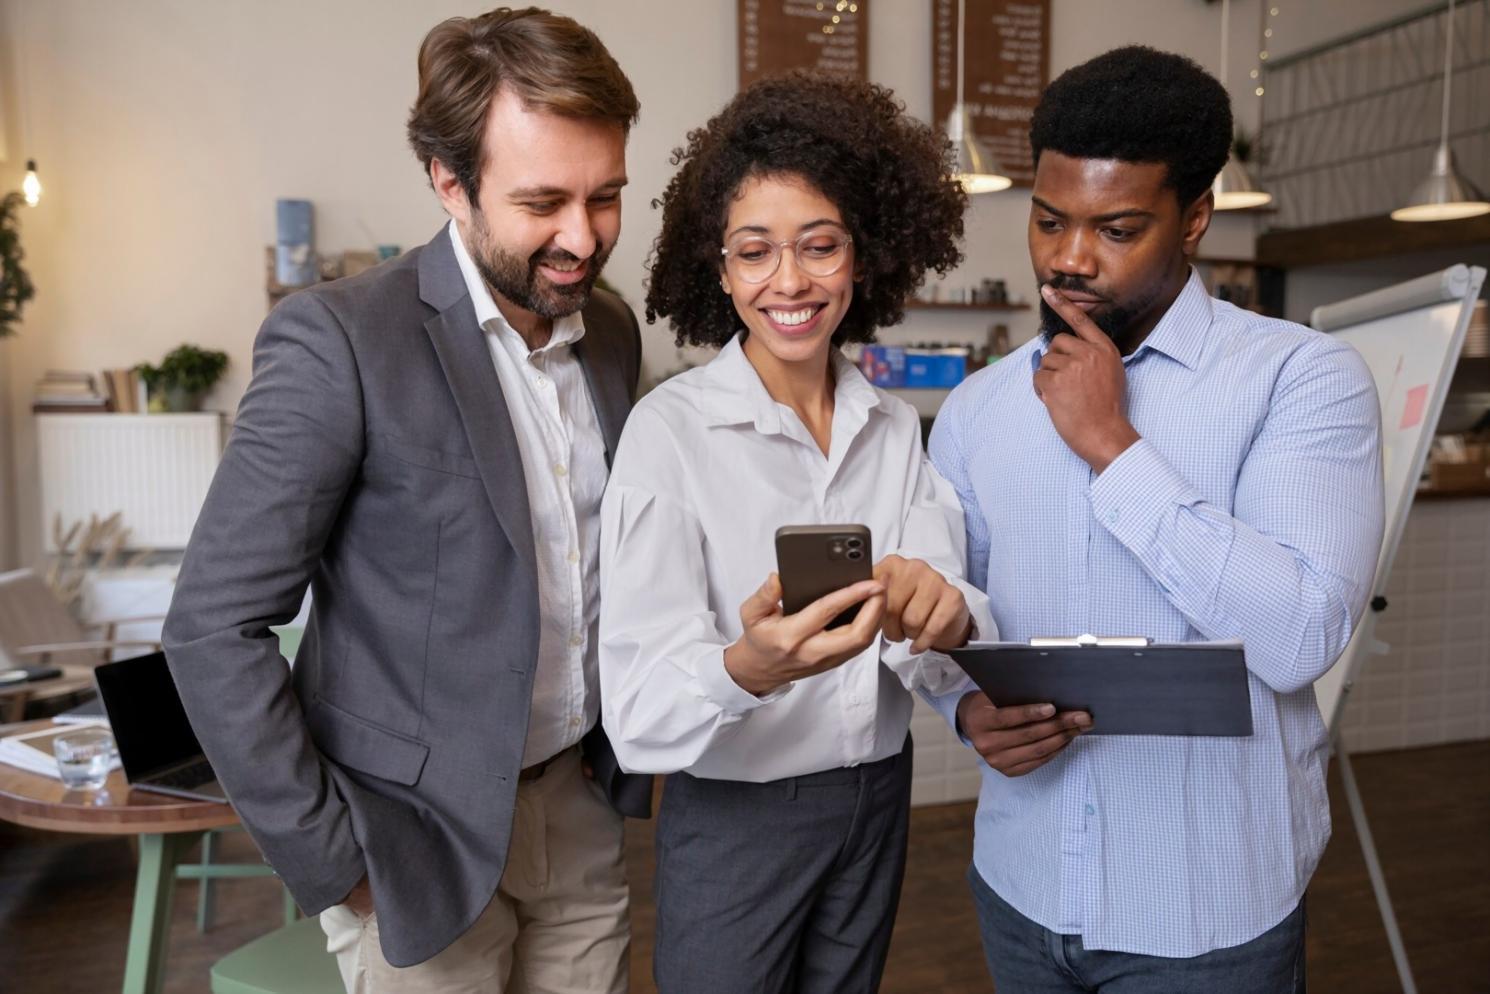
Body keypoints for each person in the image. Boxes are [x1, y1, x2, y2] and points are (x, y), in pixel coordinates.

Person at [162, 8, 652, 991]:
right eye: (543, 199)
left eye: (605, 197)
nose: (582, 235)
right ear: (447, 181)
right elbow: (211, 627)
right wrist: (336, 862)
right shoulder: (338, 340)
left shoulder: (607, 330)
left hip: (576, 811)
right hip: (412, 843)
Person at [927, 46, 1385, 993]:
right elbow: (944, 605)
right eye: (1049, 222)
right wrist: (964, 711)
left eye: (1117, 228)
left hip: (1209, 903)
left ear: (1196, 221)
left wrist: (1113, 446)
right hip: (1023, 883)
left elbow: (1302, 633)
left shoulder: (1302, 380)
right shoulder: (978, 408)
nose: (1069, 258)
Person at [598, 70, 994, 994]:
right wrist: (747, 668)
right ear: (720, 268)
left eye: (820, 246)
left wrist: (948, 612)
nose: (789, 282)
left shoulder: (895, 427)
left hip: (876, 800)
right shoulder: (670, 433)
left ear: (864, 254)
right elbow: (638, 708)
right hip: (736, 818)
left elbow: (936, 639)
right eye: (754, 252)